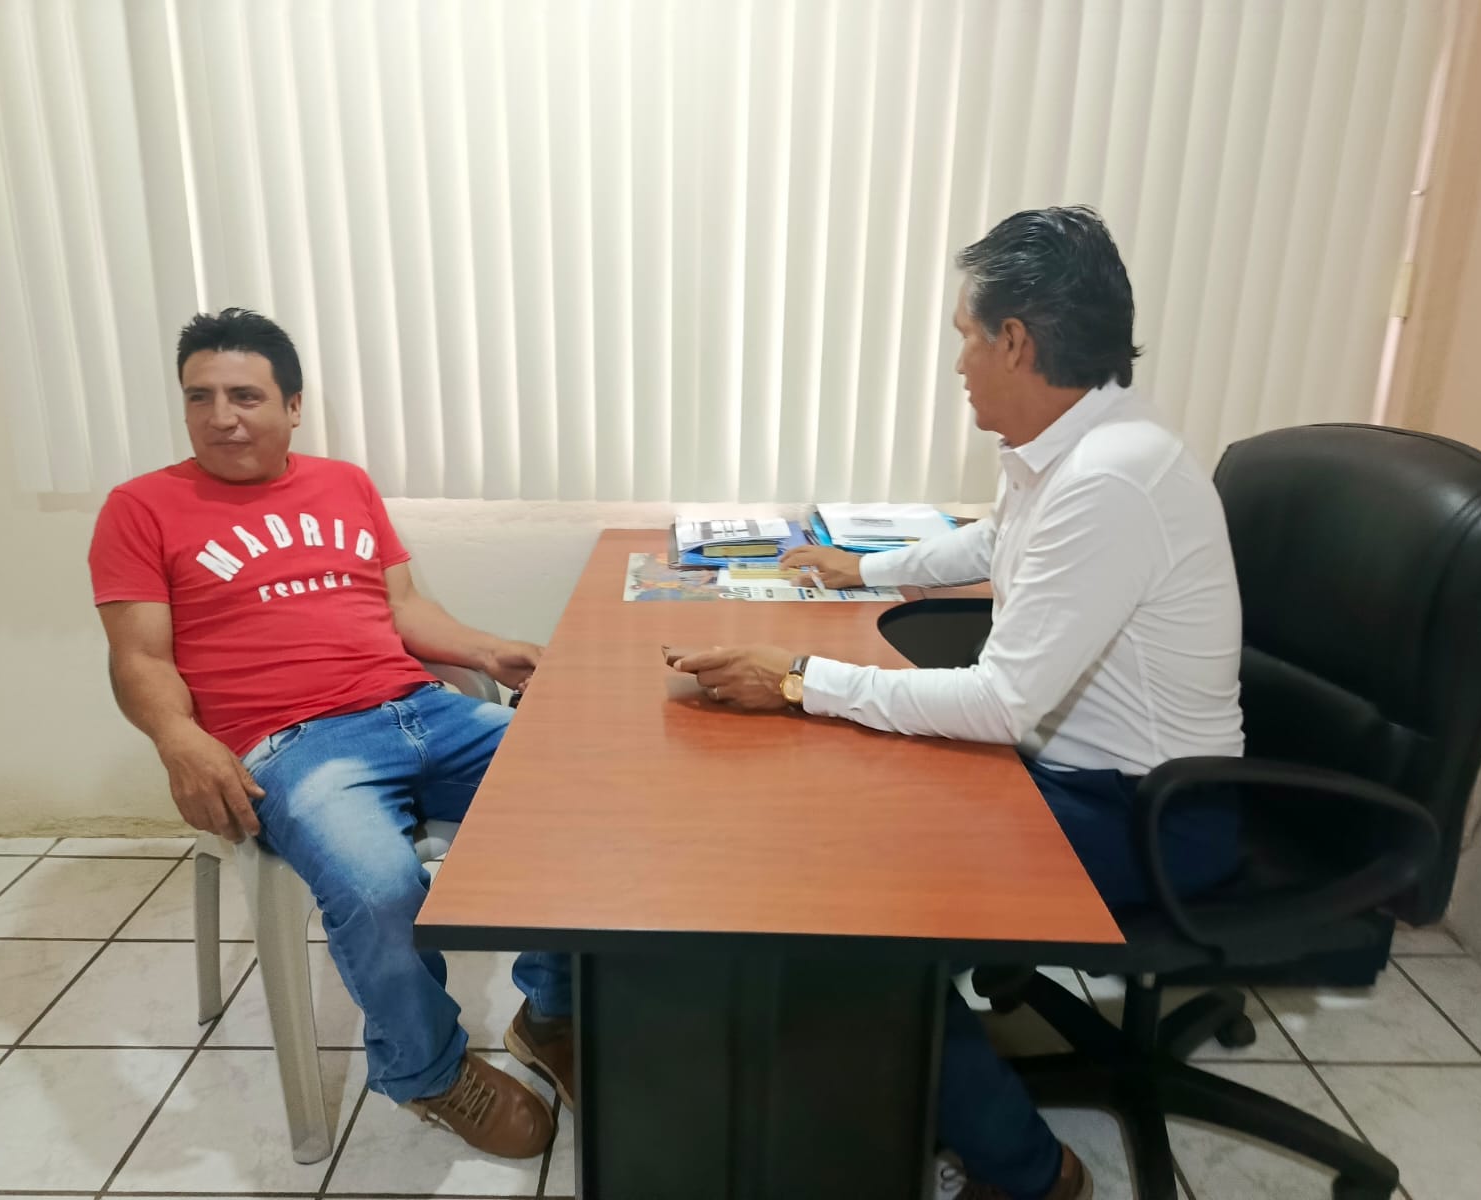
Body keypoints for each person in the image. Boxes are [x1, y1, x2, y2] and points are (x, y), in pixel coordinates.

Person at [671, 207, 1244, 1200]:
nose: (958, 364)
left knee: (854, 922)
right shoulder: (1076, 440)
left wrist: (800, 679)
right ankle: (893, 1076)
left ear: (1014, 341)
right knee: (837, 817)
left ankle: (1033, 1176)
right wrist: (860, 569)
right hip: (1081, 773)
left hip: (1152, 814)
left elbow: (1001, 702)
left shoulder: (1111, 476)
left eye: (965, 337)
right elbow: (997, 543)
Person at [88, 308, 572, 1160]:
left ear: (293, 405)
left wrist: (487, 648)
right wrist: (178, 738)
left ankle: (553, 1014)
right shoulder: (140, 508)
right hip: (295, 747)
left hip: (420, 707)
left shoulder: (344, 484)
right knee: (380, 886)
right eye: (199, 397)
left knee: (587, 800)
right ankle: (428, 1072)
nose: (221, 416)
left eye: (245, 395)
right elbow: (138, 657)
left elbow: (403, 608)